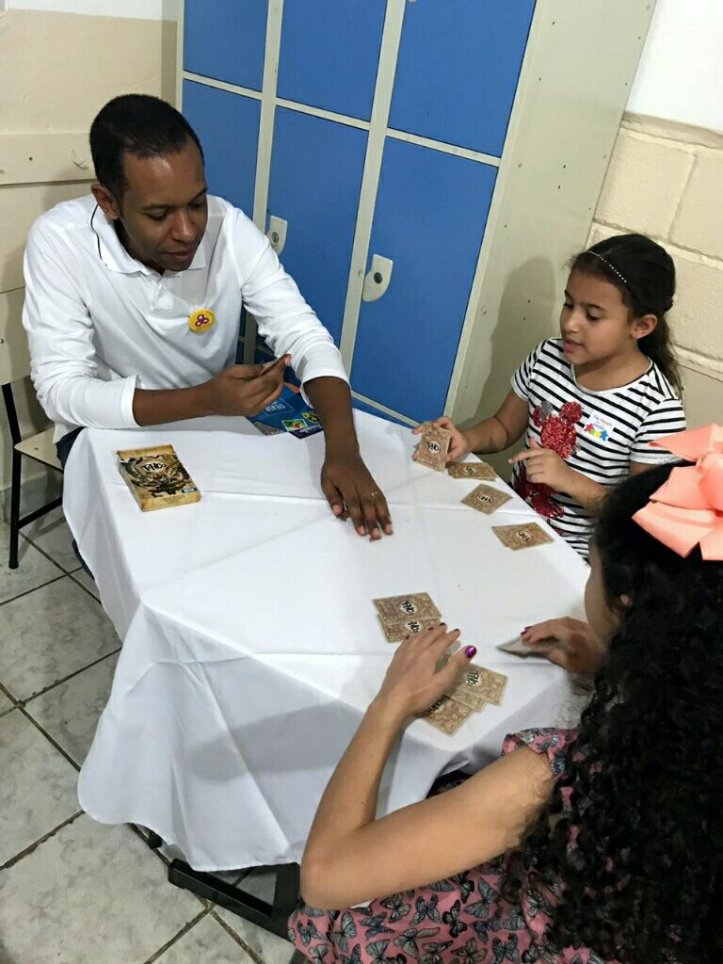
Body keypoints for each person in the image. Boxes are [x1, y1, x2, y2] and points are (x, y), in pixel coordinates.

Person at [289, 427, 723, 963]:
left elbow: (327, 876)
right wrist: (618, 662)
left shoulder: (559, 778)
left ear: (629, 609)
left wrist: (389, 705)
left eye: (593, 569)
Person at [22, 94, 392, 540]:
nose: (187, 231)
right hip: (109, 426)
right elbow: (62, 392)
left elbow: (304, 335)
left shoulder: (228, 228)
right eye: (158, 214)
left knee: (268, 534)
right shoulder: (60, 241)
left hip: (214, 416)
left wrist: (345, 450)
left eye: (197, 203)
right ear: (108, 202)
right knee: (158, 554)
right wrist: (204, 399)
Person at [414, 234, 686, 557]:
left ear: (641, 326)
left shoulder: (657, 409)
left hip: (572, 560)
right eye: (568, 304)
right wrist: (467, 439)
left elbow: (642, 517)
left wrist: (568, 479)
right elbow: (502, 427)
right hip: (509, 522)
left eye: (593, 316)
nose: (570, 323)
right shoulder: (547, 356)